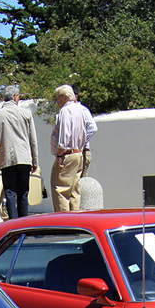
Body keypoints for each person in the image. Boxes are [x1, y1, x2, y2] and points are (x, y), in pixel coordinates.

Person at [0, 85, 39, 222]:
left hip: (6, 158)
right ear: (16, 97)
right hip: (24, 158)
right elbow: (33, 139)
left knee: (10, 193)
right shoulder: (26, 114)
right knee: (24, 193)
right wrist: (35, 161)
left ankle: (13, 224)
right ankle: (24, 223)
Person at [49, 84, 94, 212]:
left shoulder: (65, 110)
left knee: (60, 189)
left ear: (65, 97)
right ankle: (75, 218)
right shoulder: (80, 109)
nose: (57, 101)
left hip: (67, 154)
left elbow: (64, 134)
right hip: (78, 153)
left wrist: (59, 155)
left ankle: (63, 222)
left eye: (58, 97)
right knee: (75, 189)